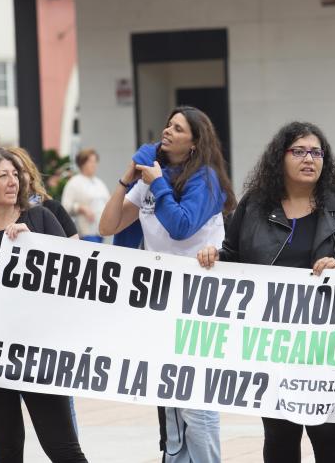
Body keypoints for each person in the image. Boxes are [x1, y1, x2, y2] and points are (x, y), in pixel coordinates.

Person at [197, 121, 335, 463]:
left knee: (328, 430)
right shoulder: (253, 207)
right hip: (271, 341)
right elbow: (233, 257)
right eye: (299, 151)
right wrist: (214, 257)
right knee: (280, 432)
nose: (309, 159)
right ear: (279, 158)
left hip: (325, 341)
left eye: (316, 152)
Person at [99, 106, 236, 463]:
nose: (168, 131)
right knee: (171, 395)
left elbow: (181, 226)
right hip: (161, 300)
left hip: (201, 301)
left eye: (178, 128)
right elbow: (108, 226)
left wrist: (157, 183)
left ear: (195, 142)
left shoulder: (206, 180)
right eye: (168, 125)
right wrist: (126, 179)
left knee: (197, 400)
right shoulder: (150, 178)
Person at [0, 148, 87, 463]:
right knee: (5, 446)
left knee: (62, 446)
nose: (13, 182)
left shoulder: (40, 218)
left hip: (39, 351)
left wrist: (34, 243)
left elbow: (72, 278)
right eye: (2, 176)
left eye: (15, 174)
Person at [62, 148, 110, 242]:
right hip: (85, 233)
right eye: (90, 162)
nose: (94, 165)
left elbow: (108, 202)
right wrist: (81, 208)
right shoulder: (74, 183)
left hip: (100, 232)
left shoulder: (99, 183)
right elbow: (65, 206)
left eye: (95, 161)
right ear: (82, 163)